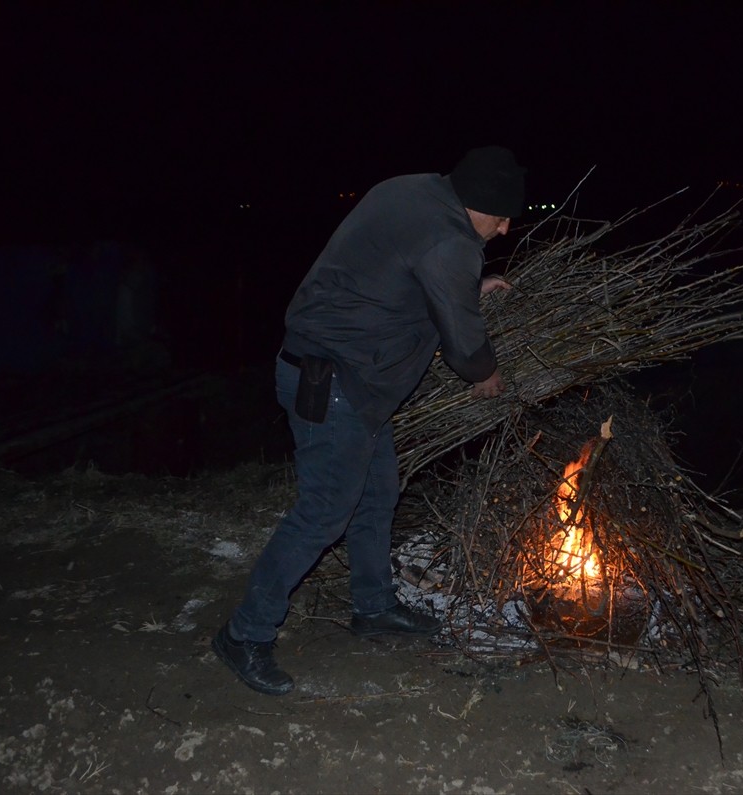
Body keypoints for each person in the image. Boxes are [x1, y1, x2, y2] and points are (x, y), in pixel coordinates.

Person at [212, 146, 526, 695]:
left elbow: (397, 270)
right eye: (501, 219)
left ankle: (374, 607)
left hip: (346, 375)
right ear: (478, 206)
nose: (502, 232)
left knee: (377, 494)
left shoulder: (408, 189)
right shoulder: (451, 241)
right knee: (325, 511)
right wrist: (485, 373)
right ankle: (245, 634)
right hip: (333, 381)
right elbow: (463, 340)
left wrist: (464, 286)